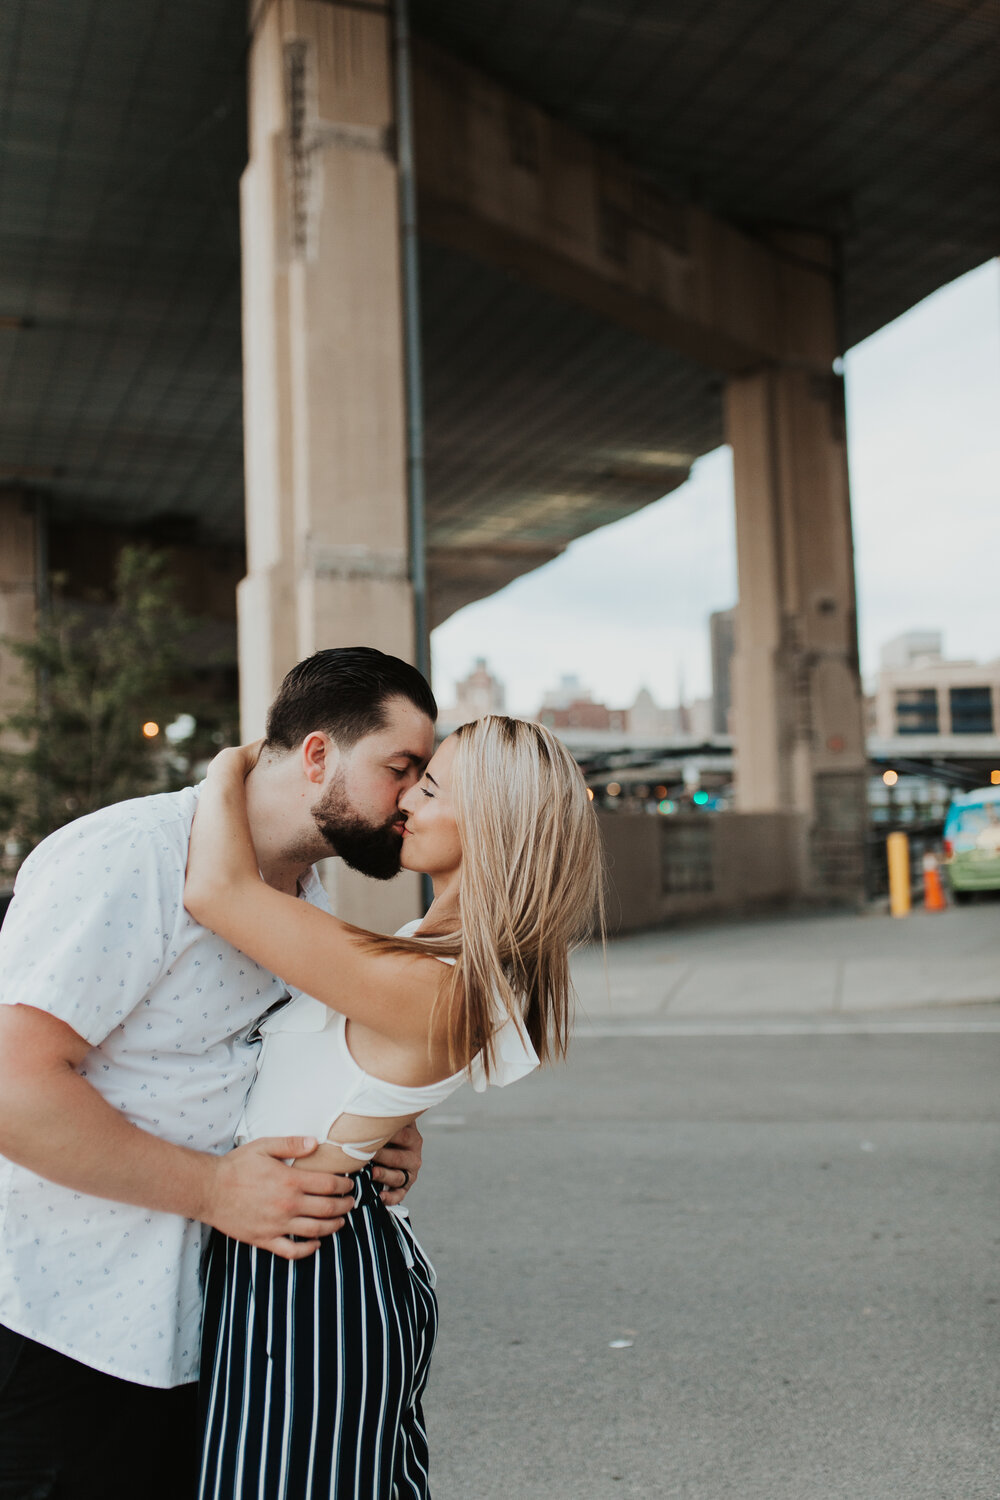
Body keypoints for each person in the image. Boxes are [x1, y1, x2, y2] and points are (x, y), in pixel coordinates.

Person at [0, 647, 437, 1500]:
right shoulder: (132, 855)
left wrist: (378, 1126)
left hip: (207, 1338)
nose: (412, 798)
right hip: (65, 1328)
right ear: (318, 755)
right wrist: (211, 1190)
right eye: (401, 767)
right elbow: (13, 1086)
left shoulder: (306, 897)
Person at [183, 715, 604, 1500]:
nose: (408, 797)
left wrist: (237, 764)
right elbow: (357, 1073)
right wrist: (388, 1122)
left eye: (433, 786)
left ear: (491, 822)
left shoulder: (435, 981)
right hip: (302, 1246)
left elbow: (217, 891)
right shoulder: (428, 953)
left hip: (311, 1272)